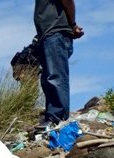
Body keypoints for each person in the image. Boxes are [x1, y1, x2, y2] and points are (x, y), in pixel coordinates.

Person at [34, 0, 83, 129]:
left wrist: (72, 24)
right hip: (47, 35)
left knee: (55, 77)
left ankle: (58, 119)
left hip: (55, 32)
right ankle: (52, 117)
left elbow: (68, 1)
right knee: (47, 79)